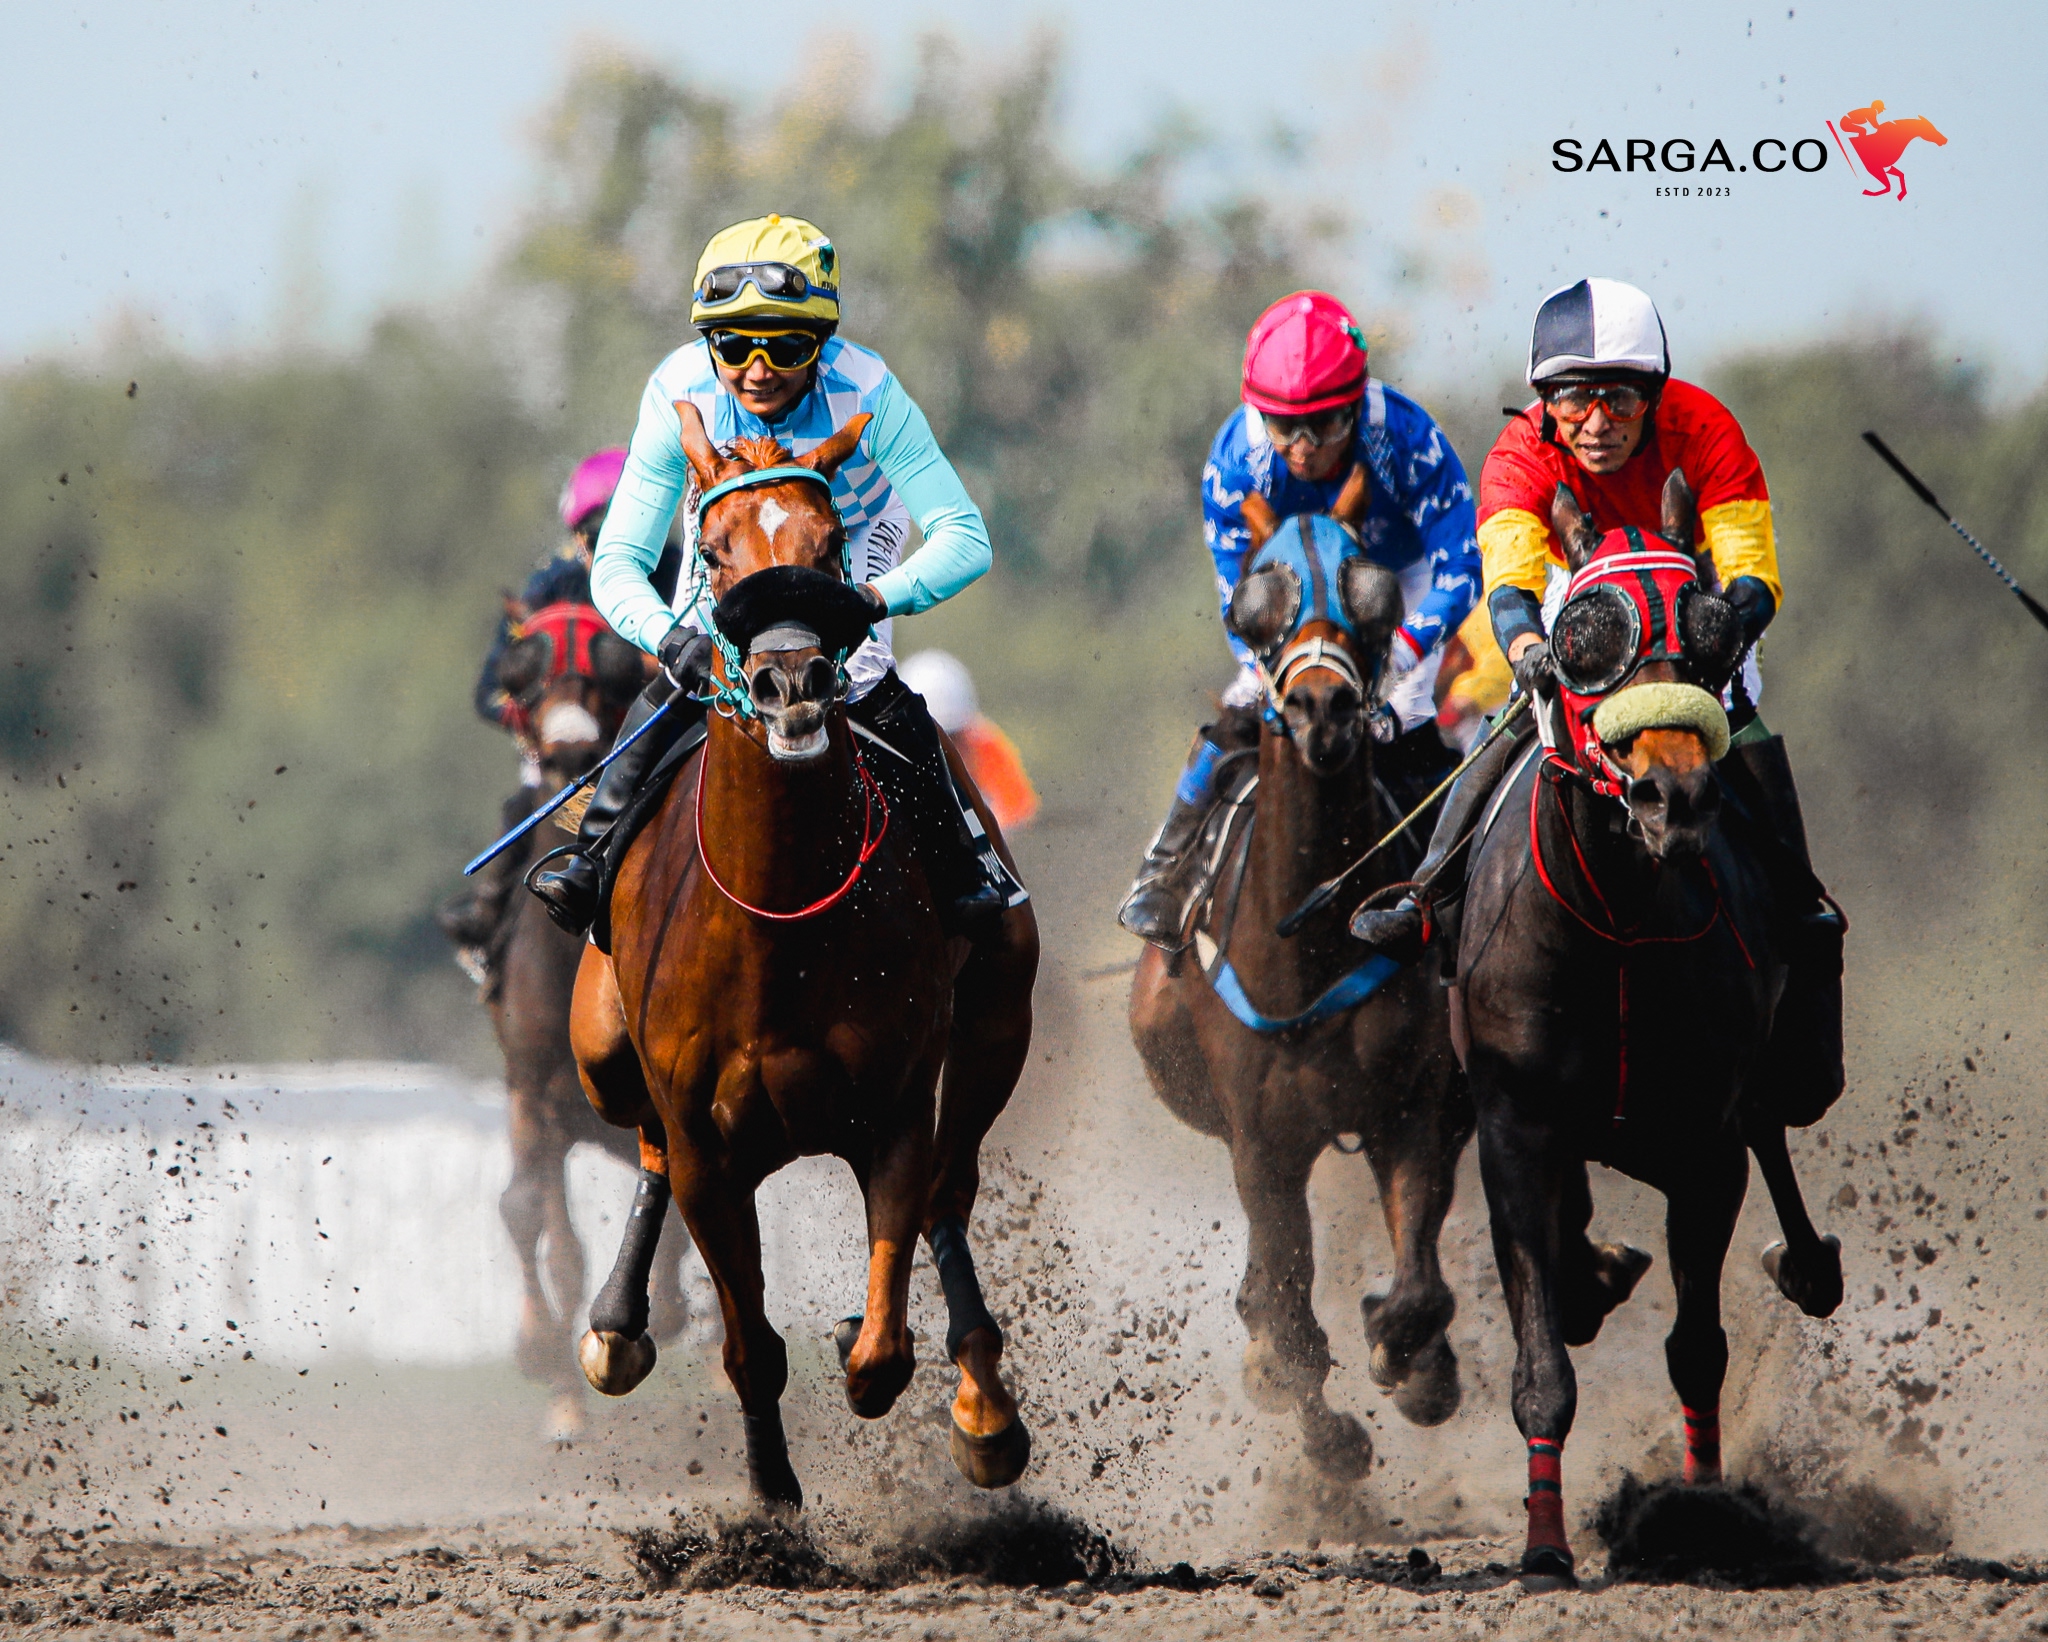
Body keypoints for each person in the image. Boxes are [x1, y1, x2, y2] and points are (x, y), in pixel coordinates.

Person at [527, 214, 1017, 936]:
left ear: (822, 340)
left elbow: (965, 538)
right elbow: (619, 562)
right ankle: (591, 859)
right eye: (734, 346)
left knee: (866, 678)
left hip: (847, 536)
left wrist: (870, 600)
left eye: (786, 346)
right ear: (709, 343)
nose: (757, 370)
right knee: (683, 683)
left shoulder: (870, 391)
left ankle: (963, 867)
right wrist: (670, 641)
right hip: (734, 544)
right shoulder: (678, 389)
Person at [1350, 276, 1839, 976]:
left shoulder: (1707, 429)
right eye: (1574, 398)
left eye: (1620, 399)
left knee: (1737, 707)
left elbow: (1753, 578)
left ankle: (1797, 898)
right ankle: (1429, 896)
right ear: (1546, 400)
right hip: (1578, 592)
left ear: (1655, 396)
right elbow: (1510, 585)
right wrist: (1528, 651)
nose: (1597, 422)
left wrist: (1713, 639)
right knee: (1518, 715)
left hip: (1688, 592)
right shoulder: (1519, 453)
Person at [1116, 290, 1482, 948]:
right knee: (1246, 704)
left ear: (1356, 405)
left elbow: (1460, 567)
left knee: (1408, 715)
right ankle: (1163, 870)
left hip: (1394, 578)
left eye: (1327, 425)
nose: (1306, 448)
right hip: (1290, 588)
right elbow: (1239, 598)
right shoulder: (1236, 459)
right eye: (1285, 428)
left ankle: (1451, 898)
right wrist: (1264, 668)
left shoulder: (1408, 438)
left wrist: (1401, 654)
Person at [436, 448, 638, 953]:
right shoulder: (548, 585)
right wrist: (540, 722)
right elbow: (489, 694)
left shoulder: (679, 570)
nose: (613, 544)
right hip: (556, 756)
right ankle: (489, 916)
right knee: (522, 806)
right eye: (599, 532)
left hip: (644, 740)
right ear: (578, 534)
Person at [899, 649, 1040, 834]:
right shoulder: (889, 762)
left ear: (967, 730)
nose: (945, 750)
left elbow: (1020, 815)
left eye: (953, 736)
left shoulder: (986, 746)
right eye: (930, 738)